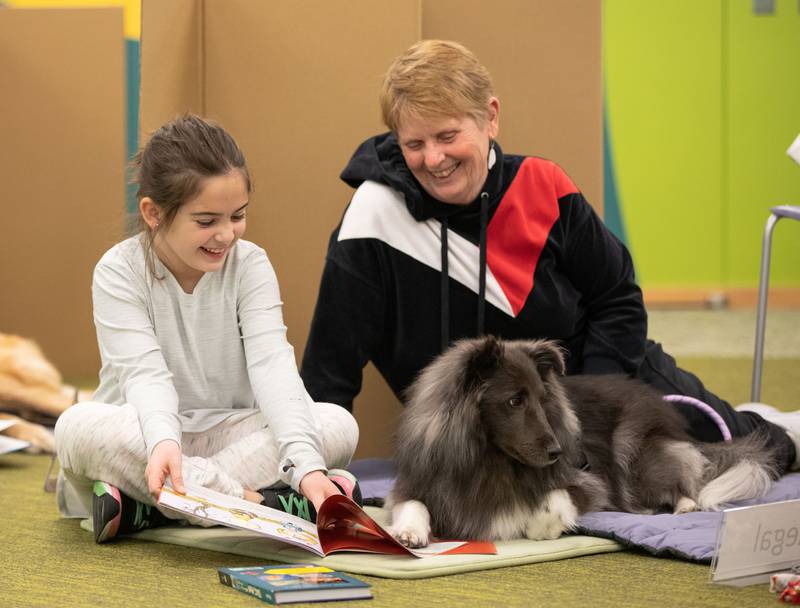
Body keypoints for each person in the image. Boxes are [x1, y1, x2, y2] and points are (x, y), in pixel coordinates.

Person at [300, 39, 799, 474]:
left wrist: (590, 410)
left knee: (754, 451)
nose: (434, 159)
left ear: (490, 117)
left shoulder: (543, 187)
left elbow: (617, 298)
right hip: (491, 433)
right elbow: (331, 366)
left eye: (448, 136)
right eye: (415, 143)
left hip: (608, 389)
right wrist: (310, 473)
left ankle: (781, 427)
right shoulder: (372, 219)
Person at [55, 115, 361, 543]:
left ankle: (154, 508)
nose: (225, 235)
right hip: (146, 434)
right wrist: (164, 443)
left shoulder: (251, 264)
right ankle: (259, 504)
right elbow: (145, 375)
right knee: (75, 427)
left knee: (336, 423)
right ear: (153, 213)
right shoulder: (117, 270)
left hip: (233, 435)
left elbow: (273, 365)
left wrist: (308, 466)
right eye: (206, 221)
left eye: (237, 216)